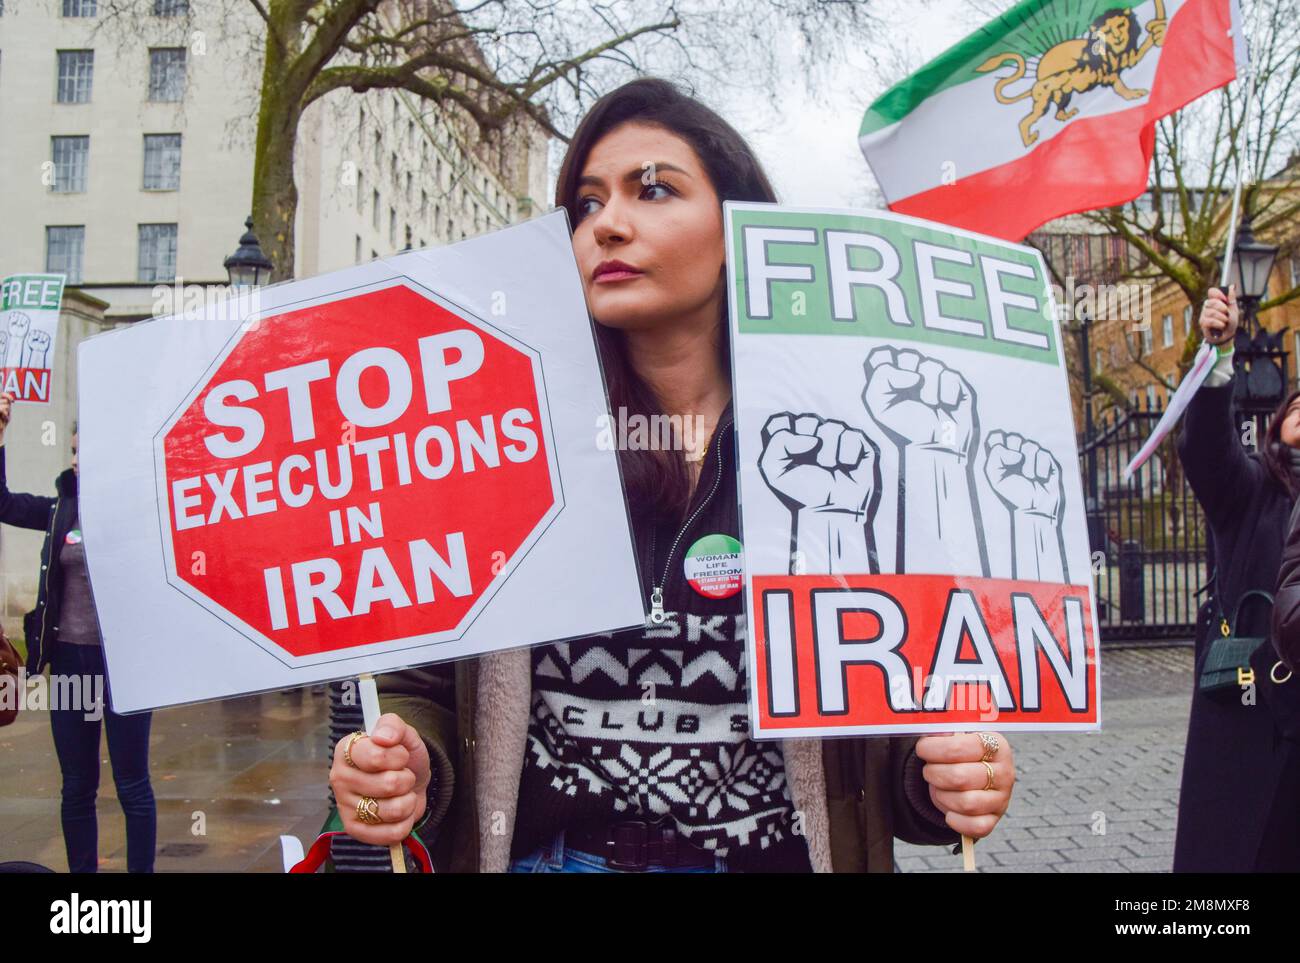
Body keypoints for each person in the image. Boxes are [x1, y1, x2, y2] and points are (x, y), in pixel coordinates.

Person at [328, 78, 1016, 873]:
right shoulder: (508, 436)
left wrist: (946, 779)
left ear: (738, 228)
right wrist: (411, 757)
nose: (608, 224)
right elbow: (422, 676)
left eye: (653, 189)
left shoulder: (844, 447)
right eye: (585, 204)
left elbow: (901, 694)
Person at [0, 393, 157, 873]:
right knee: (76, 785)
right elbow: (2, 502)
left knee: (132, 784)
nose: (72, 460)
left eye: (81, 452)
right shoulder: (58, 510)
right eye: (70, 451)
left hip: (123, 666)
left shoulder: (139, 514)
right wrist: (0, 434)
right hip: (71, 663)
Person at [1173, 285, 1300, 872]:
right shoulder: (1253, 491)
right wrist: (1218, 357)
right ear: (1277, 428)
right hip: (1250, 723)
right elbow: (1203, 448)